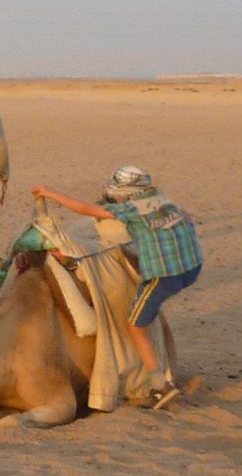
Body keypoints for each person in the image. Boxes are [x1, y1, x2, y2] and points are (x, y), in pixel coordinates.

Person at [29, 166, 200, 408]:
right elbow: (187, 219)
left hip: (166, 276)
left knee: (135, 324)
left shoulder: (130, 209)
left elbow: (86, 209)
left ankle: (159, 385)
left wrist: (52, 193)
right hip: (191, 268)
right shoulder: (163, 201)